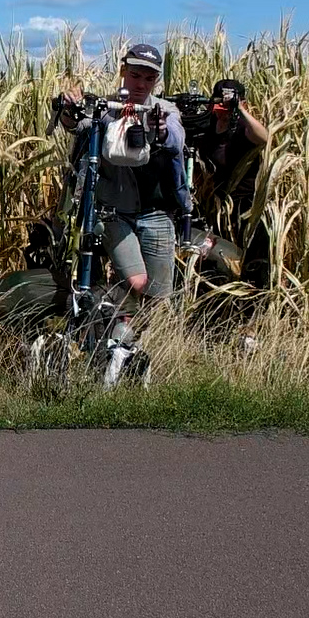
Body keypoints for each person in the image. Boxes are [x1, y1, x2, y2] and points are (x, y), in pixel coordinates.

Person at [59, 43, 194, 384]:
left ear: (156, 80)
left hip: (157, 212)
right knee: (137, 280)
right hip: (114, 211)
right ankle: (114, 340)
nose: (140, 83)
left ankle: (117, 345)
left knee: (157, 294)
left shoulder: (166, 111)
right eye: (135, 75)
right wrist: (68, 110)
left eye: (148, 78)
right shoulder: (105, 108)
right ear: (123, 71)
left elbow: (176, 139)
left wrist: (159, 129)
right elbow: (77, 125)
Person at [186, 78, 272, 337]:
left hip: (246, 210)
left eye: (231, 101)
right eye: (221, 101)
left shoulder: (243, 130)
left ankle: (251, 322)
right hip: (214, 209)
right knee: (217, 266)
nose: (224, 107)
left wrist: (240, 110)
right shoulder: (207, 129)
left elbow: (264, 137)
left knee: (253, 268)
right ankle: (215, 322)